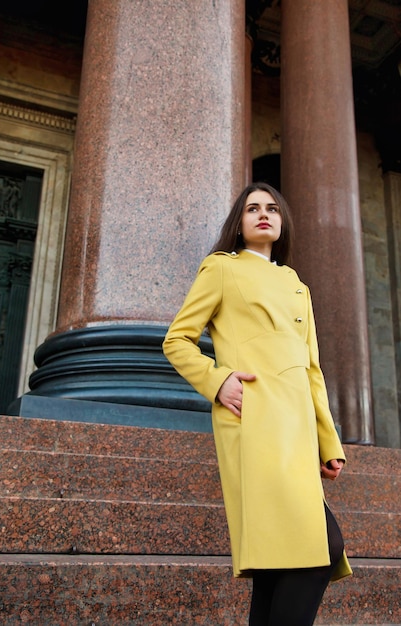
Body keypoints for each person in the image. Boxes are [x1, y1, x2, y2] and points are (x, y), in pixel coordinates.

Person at [162, 182, 352, 626]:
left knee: (283, 560)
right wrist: (217, 380)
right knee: (322, 549)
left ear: (282, 222)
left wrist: (328, 442)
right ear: (239, 222)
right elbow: (178, 340)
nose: (263, 214)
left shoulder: (297, 285)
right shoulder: (221, 269)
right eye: (252, 209)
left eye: (272, 208)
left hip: (299, 432)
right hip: (257, 422)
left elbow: (311, 370)